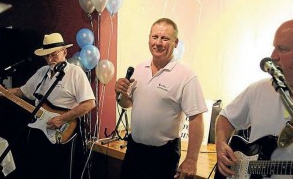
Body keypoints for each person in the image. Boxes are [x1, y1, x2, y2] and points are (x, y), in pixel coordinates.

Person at [0, 33, 95, 179]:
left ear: (64, 52)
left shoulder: (75, 73)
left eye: (54, 55)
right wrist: (3, 92)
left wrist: (62, 118)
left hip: (62, 133)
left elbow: (90, 103)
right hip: (40, 133)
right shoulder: (42, 72)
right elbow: (23, 91)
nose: (50, 60)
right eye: (47, 56)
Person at [115, 18, 207, 179]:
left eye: (165, 38)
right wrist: (121, 93)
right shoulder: (139, 68)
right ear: (149, 39)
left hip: (163, 156)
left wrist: (192, 159)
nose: (158, 43)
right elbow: (127, 104)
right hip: (134, 151)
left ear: (176, 42)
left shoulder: (186, 75)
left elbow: (196, 118)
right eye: (154, 37)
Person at [215, 20, 293, 179]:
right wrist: (221, 145)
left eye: (282, 49)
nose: (273, 56)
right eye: (274, 47)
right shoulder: (258, 89)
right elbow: (225, 118)